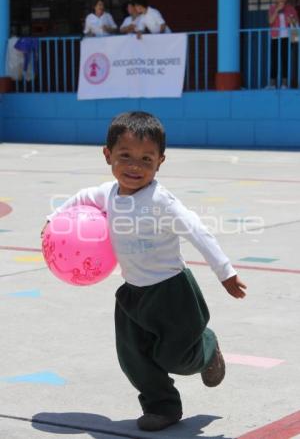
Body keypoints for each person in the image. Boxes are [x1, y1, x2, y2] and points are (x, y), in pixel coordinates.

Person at [41, 112, 247, 432]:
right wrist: (54, 219)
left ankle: (207, 348)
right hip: (133, 293)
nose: (135, 166)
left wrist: (226, 272)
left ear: (160, 162)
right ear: (107, 155)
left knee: (175, 357)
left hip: (172, 293)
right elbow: (80, 199)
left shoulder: (161, 201)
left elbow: (197, 231)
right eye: (125, 156)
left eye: (146, 159)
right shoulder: (106, 194)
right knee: (132, 358)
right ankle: (162, 406)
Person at [267, 0, 299, 89]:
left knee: (284, 59)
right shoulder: (272, 8)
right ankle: (273, 83)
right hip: (275, 36)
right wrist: (277, 10)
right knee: (274, 59)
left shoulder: (291, 8)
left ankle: (284, 83)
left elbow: (296, 24)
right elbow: (270, 22)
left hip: (287, 37)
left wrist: (291, 20)